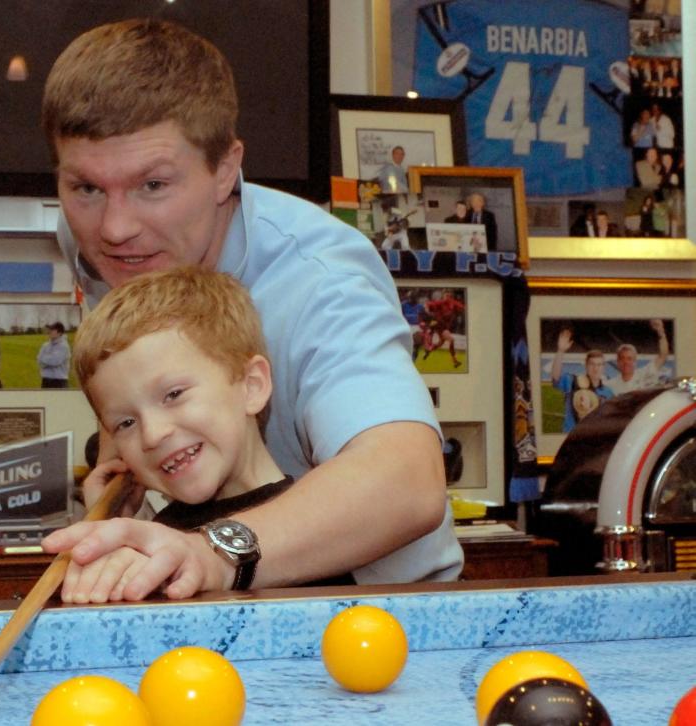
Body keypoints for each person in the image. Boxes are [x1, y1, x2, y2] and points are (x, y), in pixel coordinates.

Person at [40, 19, 462, 597]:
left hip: (381, 607)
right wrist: (124, 451)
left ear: (224, 169)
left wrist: (212, 551)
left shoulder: (321, 279)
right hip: (221, 588)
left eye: (153, 186)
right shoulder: (98, 238)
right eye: (86, 188)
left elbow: (409, 483)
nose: (115, 228)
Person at [58, 267, 358, 602]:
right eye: (125, 423)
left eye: (173, 394)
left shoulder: (314, 532)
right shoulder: (159, 536)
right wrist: (113, 527)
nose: (153, 435)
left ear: (251, 385)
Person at [550, 329, 615, 434]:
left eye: (599, 365)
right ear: (586, 365)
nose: (595, 368)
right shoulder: (572, 381)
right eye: (592, 364)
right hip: (570, 437)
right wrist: (560, 351)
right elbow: (555, 378)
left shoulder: (608, 393)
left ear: (604, 367)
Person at [604, 319, 669, 395]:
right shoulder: (610, 385)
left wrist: (661, 332)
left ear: (635, 361)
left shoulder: (645, 373)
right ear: (617, 362)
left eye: (629, 359)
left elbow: (663, 355)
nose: (626, 362)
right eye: (622, 358)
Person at [419, 290, 464, 369]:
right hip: (439, 325)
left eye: (449, 296)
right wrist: (428, 312)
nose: (448, 298)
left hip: (445, 326)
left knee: (440, 343)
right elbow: (427, 305)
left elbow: (462, 307)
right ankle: (455, 361)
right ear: (443, 296)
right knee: (451, 340)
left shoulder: (453, 303)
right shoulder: (441, 303)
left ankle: (429, 350)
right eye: (446, 296)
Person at [37, 321, 71, 388]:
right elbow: (39, 361)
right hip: (45, 381)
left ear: (60, 333)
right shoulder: (45, 345)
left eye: (53, 330)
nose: (50, 331)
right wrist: (48, 359)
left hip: (59, 382)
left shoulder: (64, 346)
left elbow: (55, 361)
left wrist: (44, 359)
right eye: (50, 329)